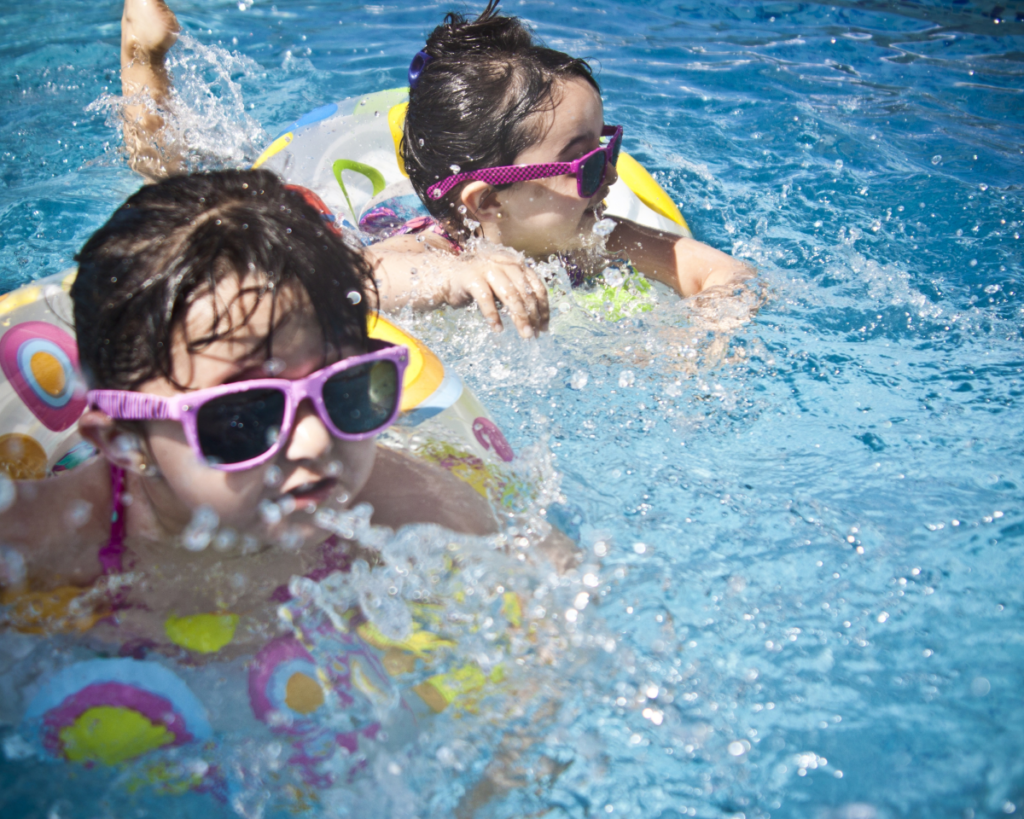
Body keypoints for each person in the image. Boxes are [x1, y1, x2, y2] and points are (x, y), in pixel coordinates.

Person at [0, 169, 496, 653]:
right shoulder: (41, 545)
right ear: (122, 442)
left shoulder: (412, 514)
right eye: (243, 417)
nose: (314, 442)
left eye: (345, 389)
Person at [118, 0, 753, 340]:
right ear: (485, 204)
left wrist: (711, 325)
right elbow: (347, 283)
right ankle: (143, 58)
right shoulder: (433, 246)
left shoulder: (601, 239)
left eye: (607, 150)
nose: (609, 178)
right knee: (185, 194)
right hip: (360, 224)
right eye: (583, 165)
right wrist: (457, 272)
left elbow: (720, 271)